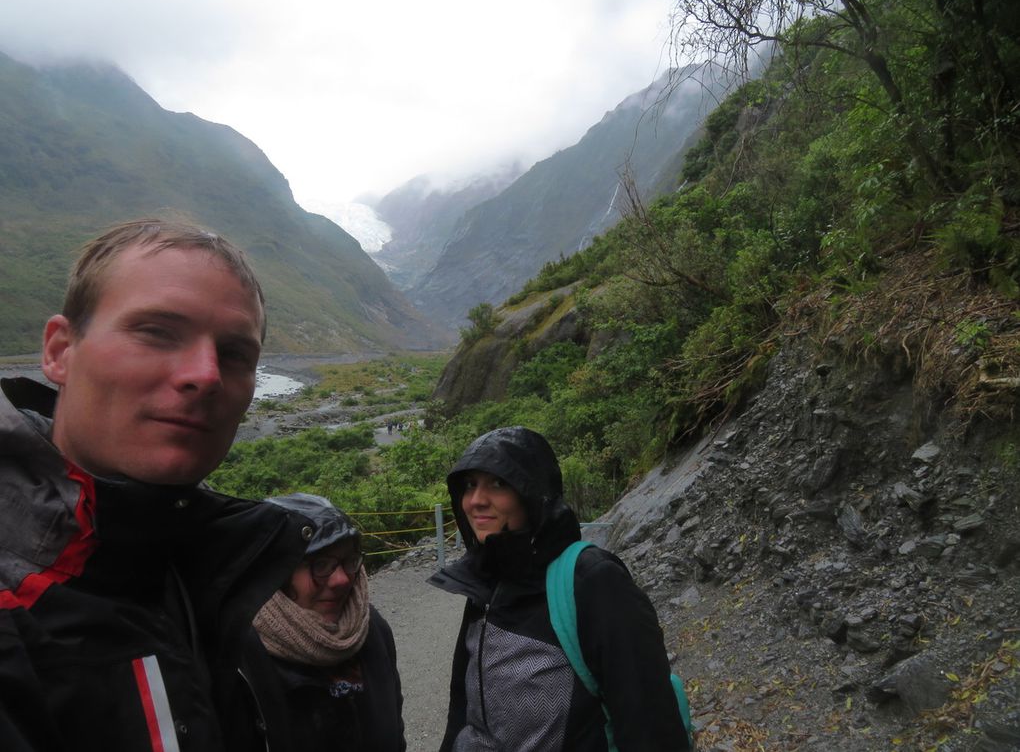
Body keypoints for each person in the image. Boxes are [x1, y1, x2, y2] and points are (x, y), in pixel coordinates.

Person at [0, 219, 311, 751]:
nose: (207, 374)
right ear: (59, 351)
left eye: (235, 354)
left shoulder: (207, 571)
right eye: (156, 332)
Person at [429, 426, 691, 751]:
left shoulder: (593, 581)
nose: (476, 501)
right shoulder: (488, 577)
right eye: (469, 485)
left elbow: (649, 727)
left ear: (533, 491)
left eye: (498, 483)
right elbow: (462, 710)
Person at [254, 493, 406, 752]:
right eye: (320, 564)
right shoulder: (242, 658)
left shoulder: (371, 629)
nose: (342, 580)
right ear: (275, 572)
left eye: (348, 561)